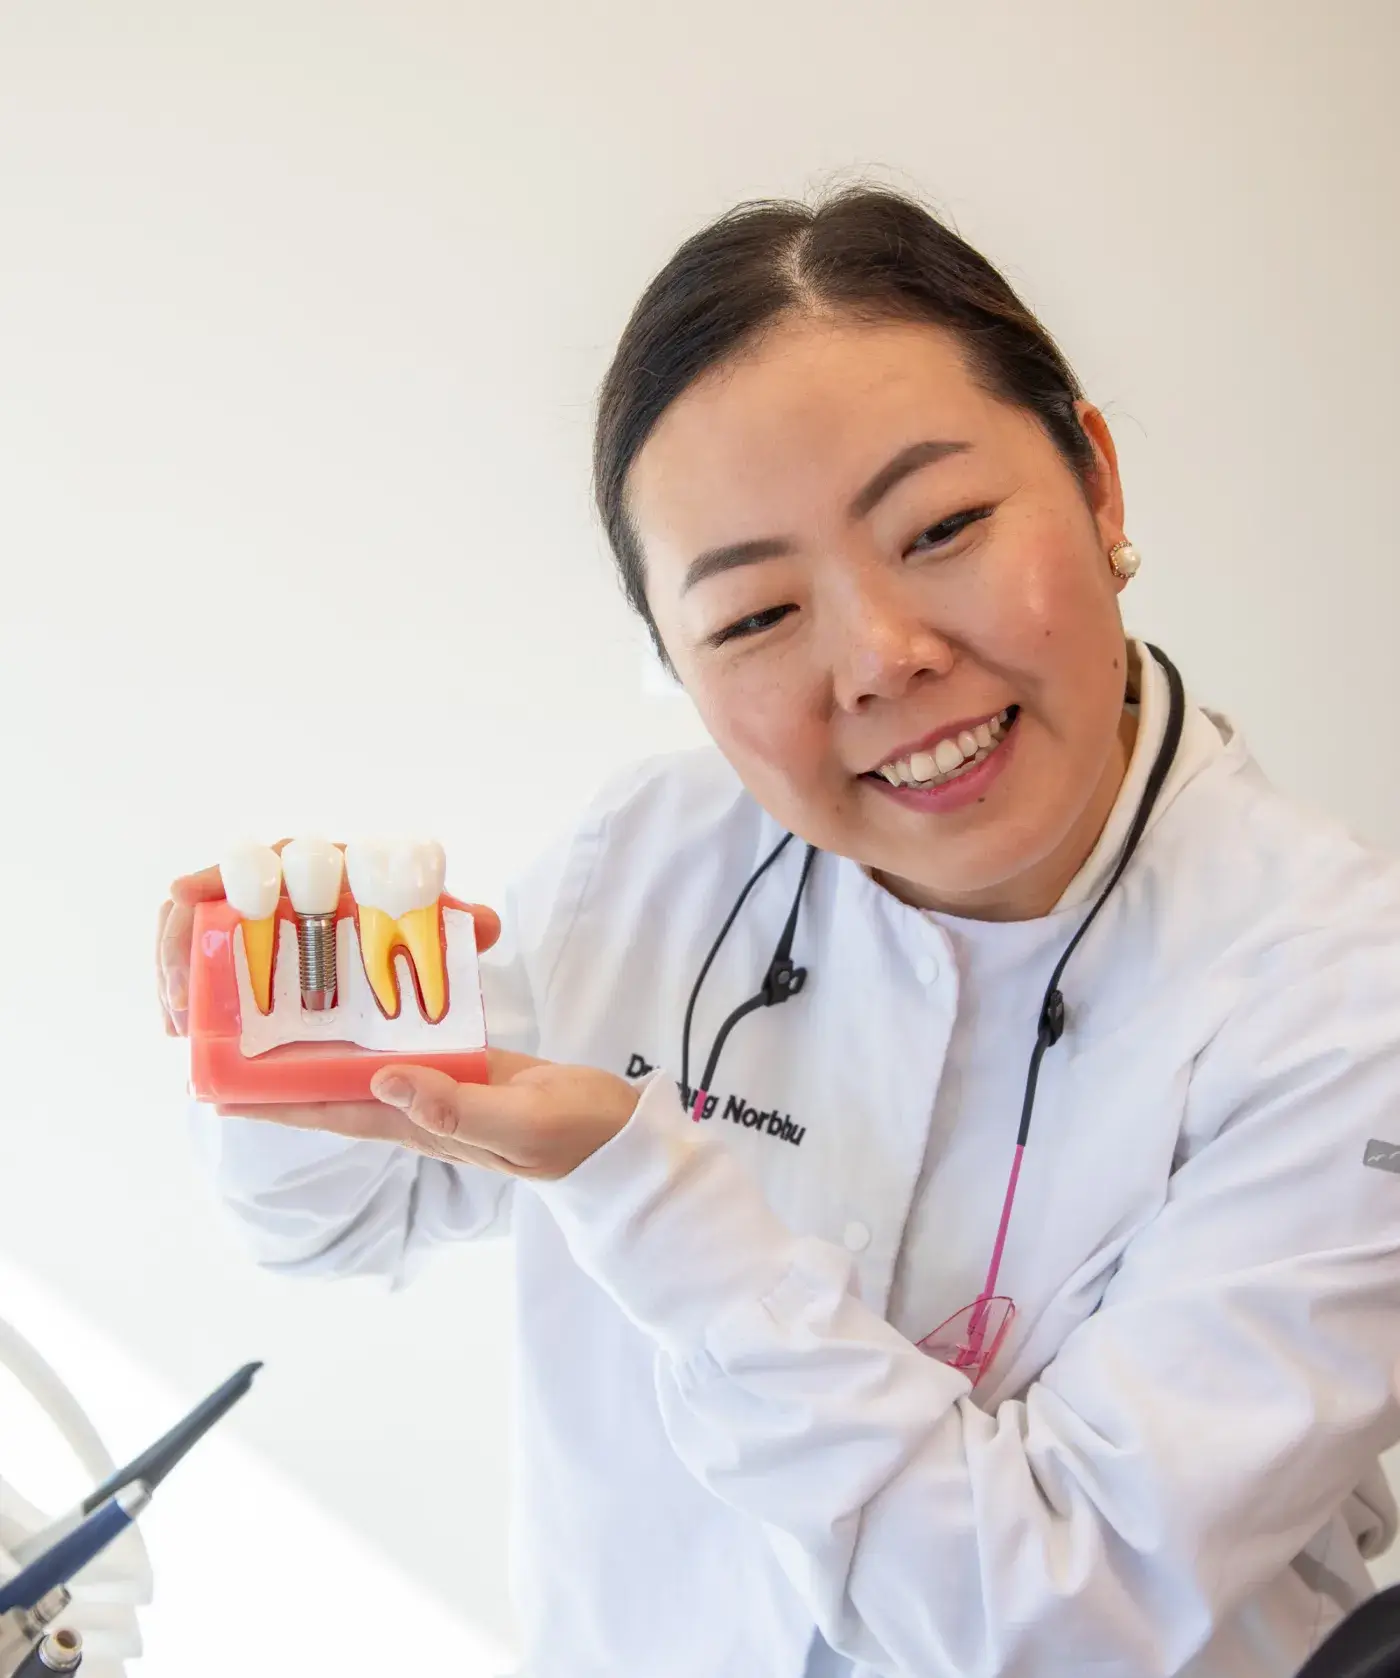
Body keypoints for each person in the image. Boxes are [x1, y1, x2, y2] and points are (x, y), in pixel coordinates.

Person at [156, 187, 1400, 1678]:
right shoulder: (657, 859)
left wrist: (647, 1193)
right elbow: (336, 1218)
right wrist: (278, 1031)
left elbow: (1062, 1618)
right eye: (754, 617)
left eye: (941, 527)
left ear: (1100, 484)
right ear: (674, 665)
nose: (882, 658)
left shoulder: (1340, 1001)